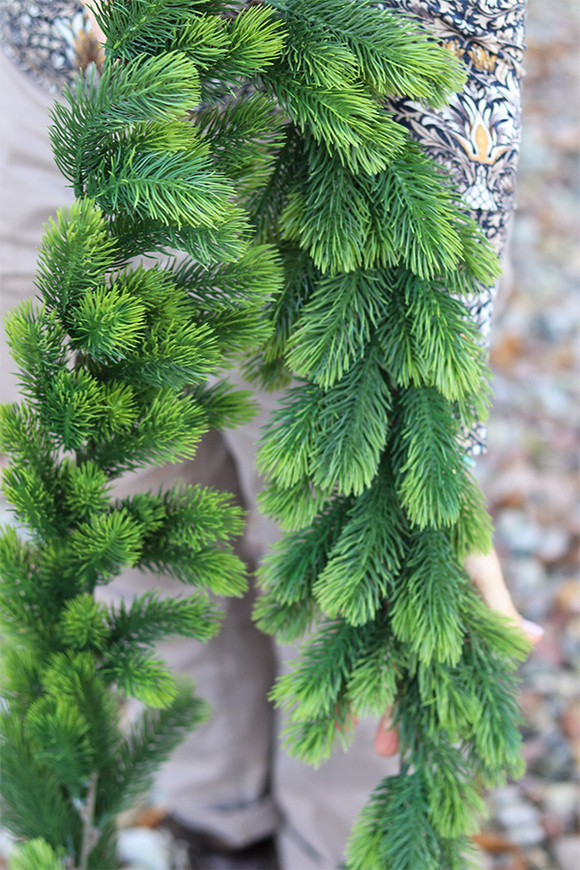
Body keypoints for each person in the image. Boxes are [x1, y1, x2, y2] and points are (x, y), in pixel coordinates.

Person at [0, 2, 543, 868]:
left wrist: (437, 439)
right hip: (53, 82)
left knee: (340, 567)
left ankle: (341, 845)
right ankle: (219, 824)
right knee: (132, 524)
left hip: (314, 130)